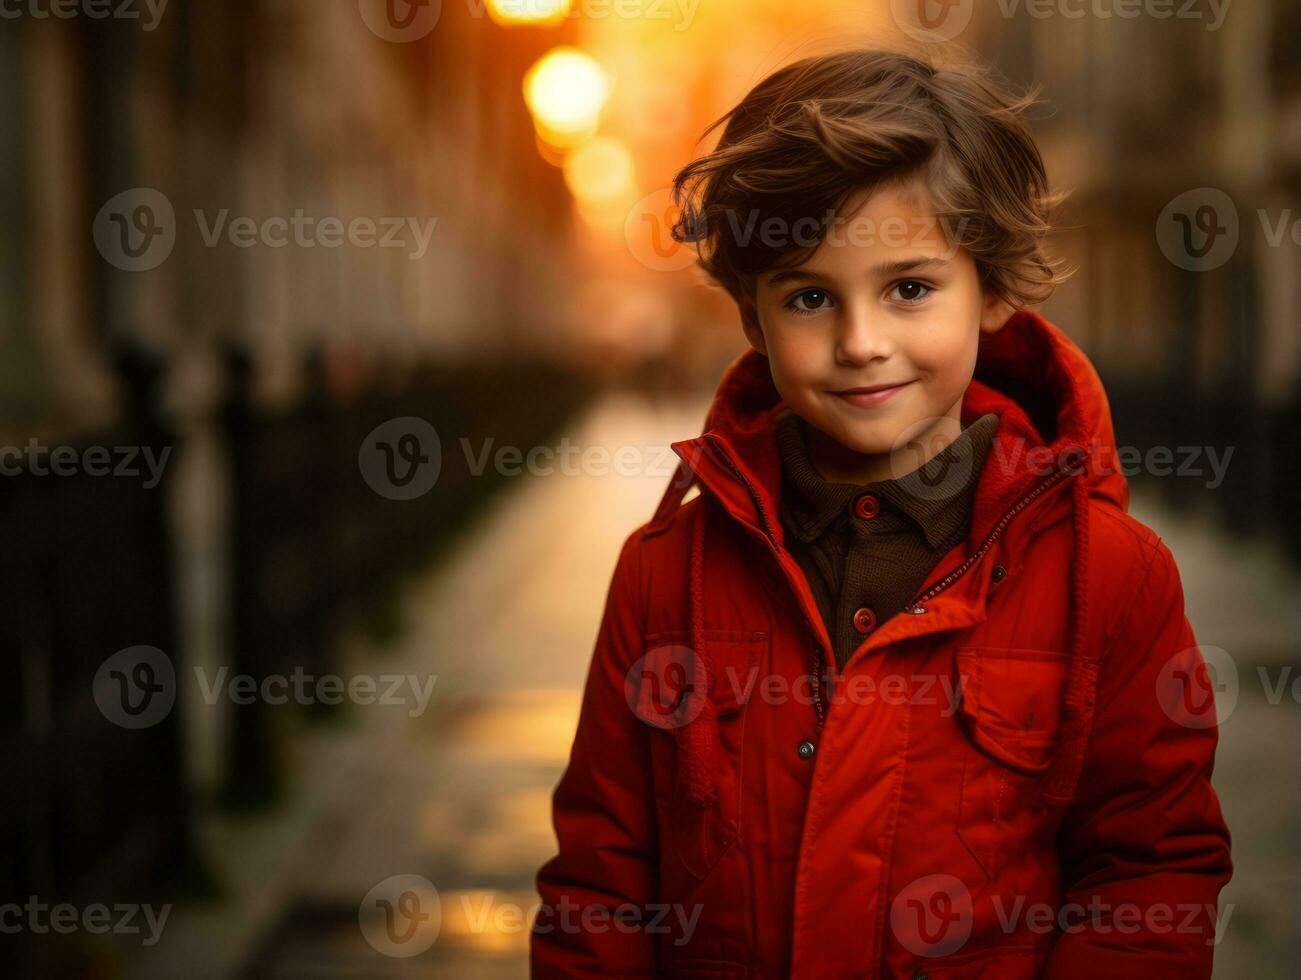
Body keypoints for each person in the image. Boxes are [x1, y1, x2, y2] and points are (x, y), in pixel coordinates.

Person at [531, 48, 1232, 978]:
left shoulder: (1108, 574)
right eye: (811, 298)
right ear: (752, 318)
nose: (861, 343)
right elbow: (602, 885)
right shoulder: (667, 573)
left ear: (994, 291)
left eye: (909, 288)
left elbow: (1149, 872)